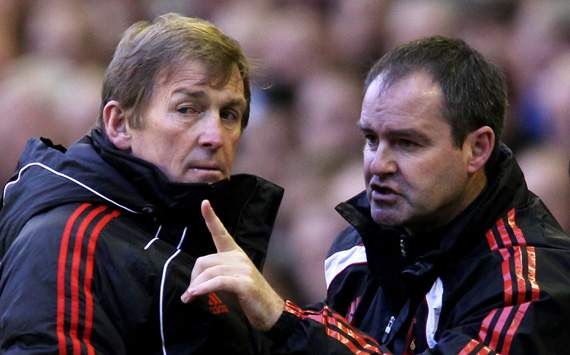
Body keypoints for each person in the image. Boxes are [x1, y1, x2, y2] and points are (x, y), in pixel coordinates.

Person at [182, 36, 570, 354]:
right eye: (371, 139)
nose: (378, 165)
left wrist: (282, 320)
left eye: (406, 143)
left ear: (477, 149)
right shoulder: (361, 243)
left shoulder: (531, 283)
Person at [0, 13, 284, 354]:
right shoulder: (69, 238)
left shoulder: (192, 232)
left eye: (229, 115)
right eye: (188, 109)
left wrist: (281, 320)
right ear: (119, 124)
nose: (215, 136)